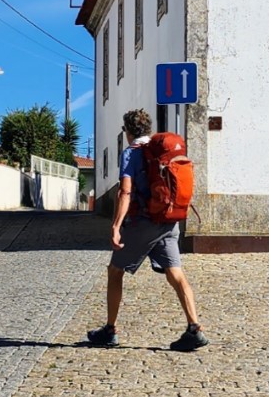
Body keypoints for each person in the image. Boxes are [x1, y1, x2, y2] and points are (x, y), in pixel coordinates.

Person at [88, 107, 209, 352]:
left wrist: (116, 225)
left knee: (115, 270)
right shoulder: (159, 151)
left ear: (127, 131)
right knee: (175, 273)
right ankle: (194, 328)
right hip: (170, 219)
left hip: (145, 222)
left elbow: (126, 191)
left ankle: (110, 330)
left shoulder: (131, 153)